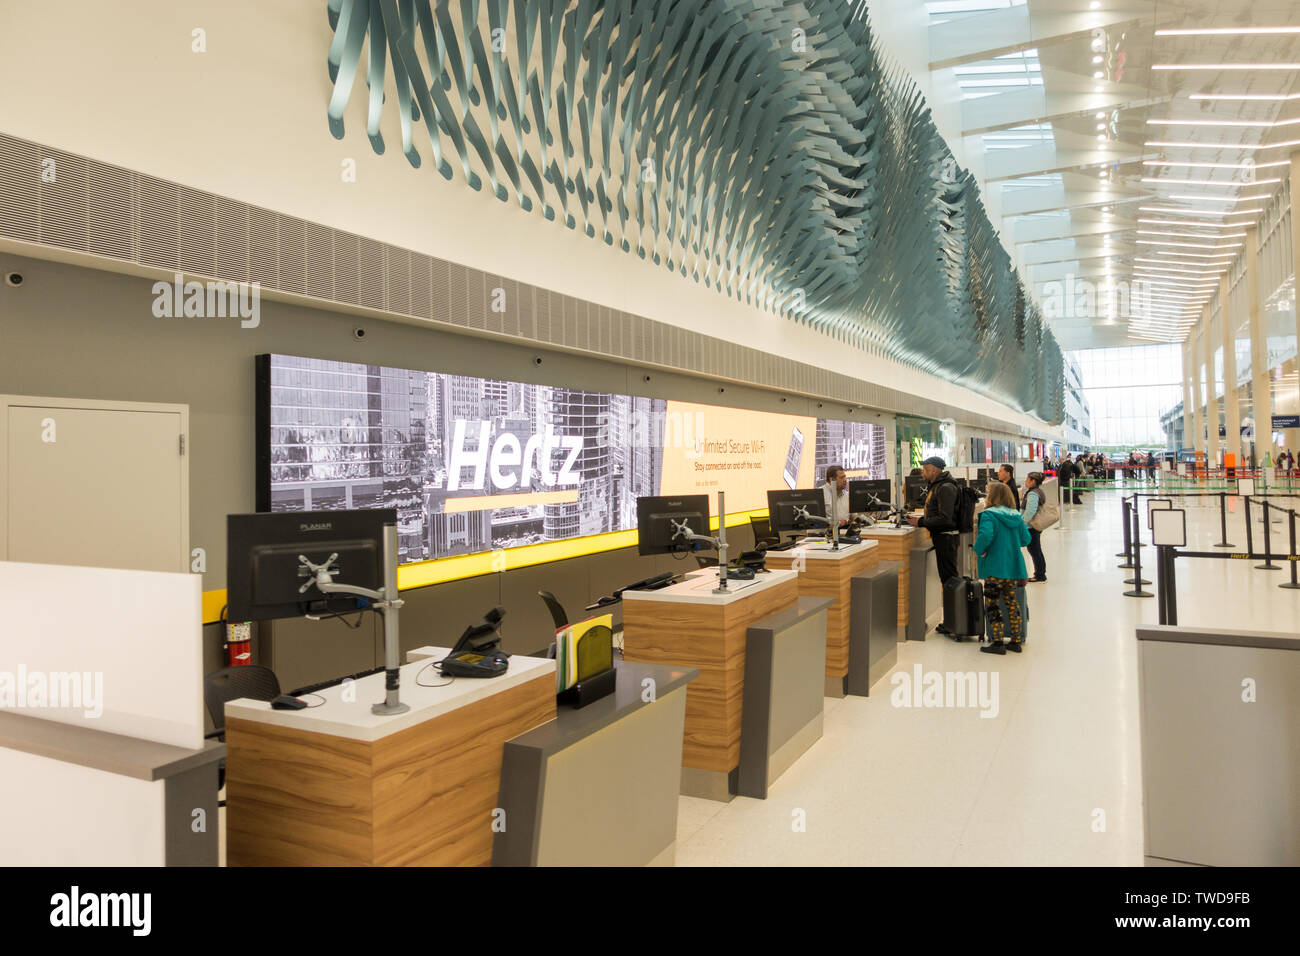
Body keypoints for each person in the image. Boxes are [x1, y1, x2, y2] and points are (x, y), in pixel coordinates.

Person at [974, 480, 1030, 654]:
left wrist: (979, 550)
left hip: (994, 567)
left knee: (992, 605)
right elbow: (1026, 539)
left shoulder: (989, 515)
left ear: (993, 496)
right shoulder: (1015, 515)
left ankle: (997, 642)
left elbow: (985, 535)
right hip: (1013, 568)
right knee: (1012, 603)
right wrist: (1011, 543)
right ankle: (1015, 640)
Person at [906, 457, 961, 612]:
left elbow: (945, 517)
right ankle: (952, 619)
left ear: (934, 470)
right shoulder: (937, 485)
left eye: (925, 469)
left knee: (950, 580)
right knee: (947, 579)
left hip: (947, 538)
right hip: (942, 537)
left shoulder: (945, 487)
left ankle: (955, 620)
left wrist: (921, 522)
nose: (923, 472)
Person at [1021, 471, 1047, 583]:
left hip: (1031, 527)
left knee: (1035, 551)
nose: (1026, 482)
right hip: (1031, 527)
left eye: (1027, 480)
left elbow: (1030, 511)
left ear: (1033, 481)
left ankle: (1040, 575)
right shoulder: (1035, 492)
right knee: (1035, 550)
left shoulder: (1033, 494)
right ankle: (1040, 574)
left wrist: (1021, 522)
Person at [821, 465, 851, 529]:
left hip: (845, 534)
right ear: (831, 479)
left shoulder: (846, 495)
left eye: (845, 477)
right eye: (841, 478)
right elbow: (817, 522)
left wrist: (867, 519)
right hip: (825, 535)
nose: (845, 480)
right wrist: (838, 523)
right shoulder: (820, 494)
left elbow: (853, 516)